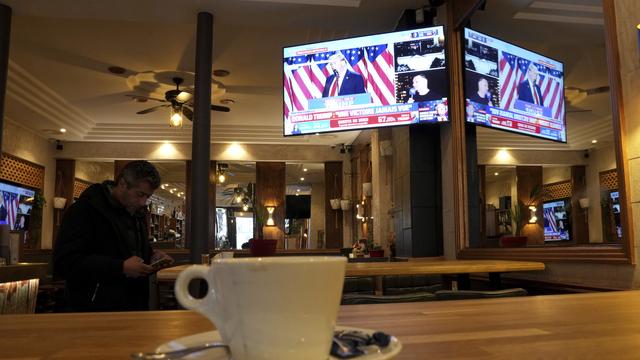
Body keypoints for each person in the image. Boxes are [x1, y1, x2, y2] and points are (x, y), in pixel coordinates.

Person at [53, 160, 173, 312]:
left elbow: (129, 252)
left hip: (135, 306)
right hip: (94, 310)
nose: (143, 202)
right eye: (140, 194)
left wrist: (152, 256)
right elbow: (64, 262)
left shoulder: (137, 213)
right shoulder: (85, 210)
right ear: (122, 184)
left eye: (147, 197)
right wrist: (120, 267)